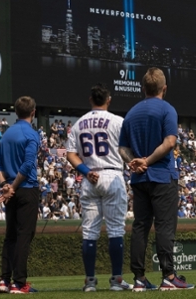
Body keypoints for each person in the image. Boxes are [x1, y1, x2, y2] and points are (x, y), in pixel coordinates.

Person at [118, 68, 192, 291]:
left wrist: (134, 162)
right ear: (164, 88)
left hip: (140, 179)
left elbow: (122, 148)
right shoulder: (167, 110)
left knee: (140, 227)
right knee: (165, 227)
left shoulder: (131, 113)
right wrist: (147, 161)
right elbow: (170, 143)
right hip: (161, 175)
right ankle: (169, 276)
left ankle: (139, 279)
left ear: (143, 89)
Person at [65, 84, 132, 292]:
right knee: (115, 230)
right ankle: (116, 280)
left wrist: (85, 171)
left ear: (90, 99)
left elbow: (70, 154)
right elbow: (126, 151)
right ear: (108, 100)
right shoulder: (118, 121)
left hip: (89, 176)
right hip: (112, 173)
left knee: (89, 232)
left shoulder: (79, 124)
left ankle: (90, 281)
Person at [0, 96, 41, 294]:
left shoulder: (6, 135)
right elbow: (28, 164)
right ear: (33, 112)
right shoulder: (31, 134)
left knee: (10, 236)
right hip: (26, 187)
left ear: (16, 112)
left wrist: (5, 185)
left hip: (9, 190)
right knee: (24, 236)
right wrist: (12, 186)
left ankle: (4, 280)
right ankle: (19, 283)